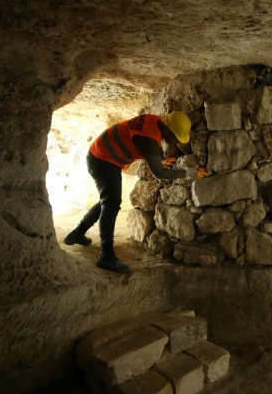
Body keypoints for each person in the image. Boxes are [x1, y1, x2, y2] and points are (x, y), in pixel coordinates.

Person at [64, 111, 208, 273]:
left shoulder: (156, 121)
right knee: (111, 203)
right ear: (167, 130)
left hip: (103, 154)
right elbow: (160, 173)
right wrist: (191, 173)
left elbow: (148, 149)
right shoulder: (149, 139)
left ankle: (77, 233)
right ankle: (106, 256)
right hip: (102, 159)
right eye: (176, 137)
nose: (176, 142)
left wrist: (159, 160)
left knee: (108, 200)